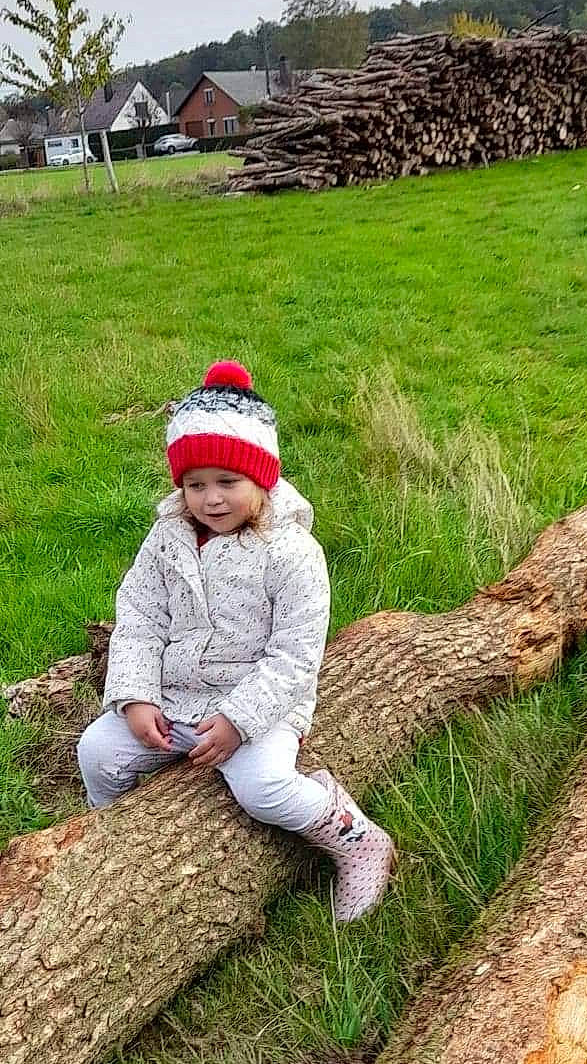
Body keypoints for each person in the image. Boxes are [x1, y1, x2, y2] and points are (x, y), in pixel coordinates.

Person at [76, 360, 395, 922]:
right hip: (174, 696)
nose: (212, 499)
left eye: (228, 482)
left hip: (256, 704)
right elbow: (140, 615)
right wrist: (136, 696)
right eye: (196, 485)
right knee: (97, 752)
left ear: (262, 478)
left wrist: (239, 721)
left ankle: (355, 837)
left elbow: (295, 656)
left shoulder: (292, 553)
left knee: (263, 788)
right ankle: (117, 841)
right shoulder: (166, 538)